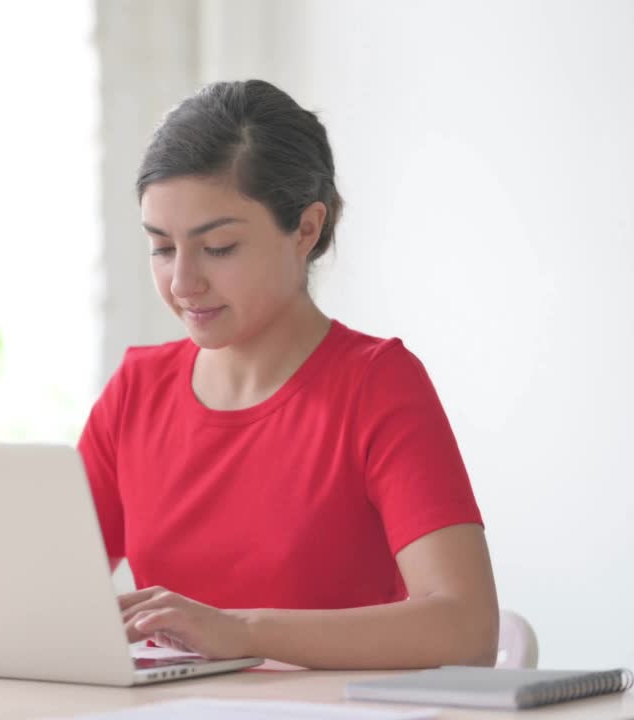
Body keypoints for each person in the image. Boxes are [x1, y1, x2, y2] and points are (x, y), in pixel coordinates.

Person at [78, 80, 499, 670]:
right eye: (162, 248)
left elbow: (467, 627)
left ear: (305, 228)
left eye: (218, 247)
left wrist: (245, 631)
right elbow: (48, 600)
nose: (182, 284)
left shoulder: (376, 385)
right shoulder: (136, 390)